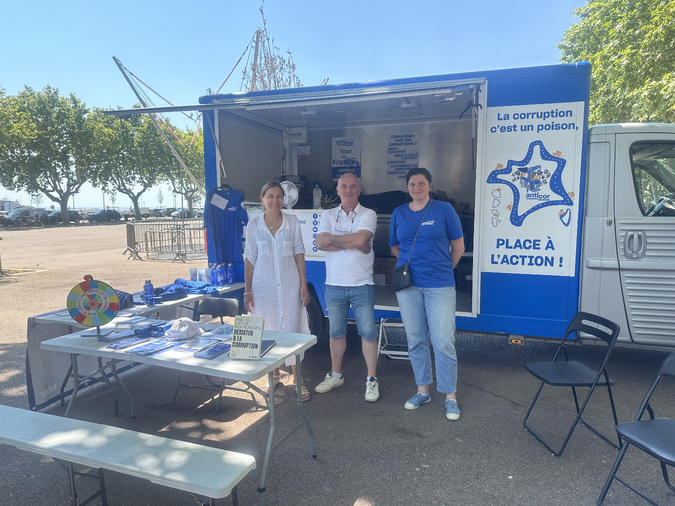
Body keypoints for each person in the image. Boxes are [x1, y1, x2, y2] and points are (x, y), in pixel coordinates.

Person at [389, 167, 465, 420]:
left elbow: (458, 247)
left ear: (430, 185)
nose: (417, 188)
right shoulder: (399, 212)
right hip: (408, 286)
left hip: (440, 285)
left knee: (443, 341)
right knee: (416, 340)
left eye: (421, 183)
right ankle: (423, 391)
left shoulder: (444, 209)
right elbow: (395, 247)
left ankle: (450, 396)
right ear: (407, 187)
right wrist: (412, 265)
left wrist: (441, 269)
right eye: (412, 184)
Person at [314, 173, 380, 402]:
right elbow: (320, 243)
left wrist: (335, 240)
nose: (348, 190)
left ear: (359, 190)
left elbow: (362, 241)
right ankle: (336, 376)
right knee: (335, 333)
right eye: (344, 186)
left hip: (362, 284)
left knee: (368, 334)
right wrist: (353, 242)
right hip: (334, 284)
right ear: (338, 190)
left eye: (353, 186)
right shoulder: (328, 214)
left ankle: (371, 380)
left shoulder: (368, 214)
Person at [243, 181, 311, 401]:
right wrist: (247, 291)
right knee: (268, 331)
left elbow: (299, 253)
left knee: (293, 330)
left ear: (284, 199)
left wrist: (303, 284)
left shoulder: (292, 223)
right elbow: (249, 258)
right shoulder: (254, 225)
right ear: (262, 199)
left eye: (279, 196)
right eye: (270, 196)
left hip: (290, 286)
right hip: (263, 289)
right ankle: (273, 377)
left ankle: (298, 379)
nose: (275, 200)